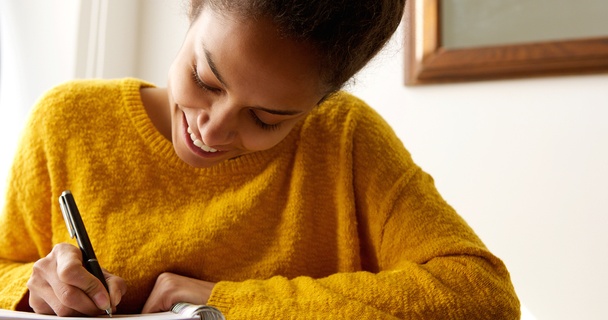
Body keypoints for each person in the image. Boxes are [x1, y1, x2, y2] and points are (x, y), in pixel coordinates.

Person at [0, 0, 521, 318]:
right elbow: (6, 268)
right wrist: (35, 287)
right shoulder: (67, 123)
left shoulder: (344, 138)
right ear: (192, 9)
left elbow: (483, 297)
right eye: (205, 80)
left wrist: (229, 304)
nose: (214, 127)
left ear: (320, 102)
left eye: (268, 119)